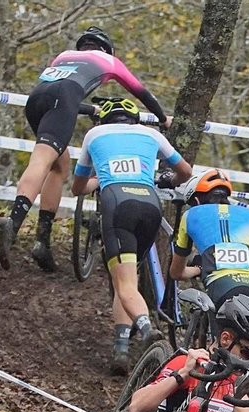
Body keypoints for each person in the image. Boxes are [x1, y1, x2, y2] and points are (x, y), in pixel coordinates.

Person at [0, 27, 170, 272]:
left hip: (36, 100)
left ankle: (42, 242)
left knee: (59, 164)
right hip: (62, 99)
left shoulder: (64, 56)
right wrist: (163, 118)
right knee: (42, 160)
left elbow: (61, 93)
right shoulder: (109, 61)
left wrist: (91, 110)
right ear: (107, 49)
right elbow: (141, 92)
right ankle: (13, 224)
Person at [71, 98, 193, 373]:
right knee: (128, 277)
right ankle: (121, 348)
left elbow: (78, 188)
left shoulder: (94, 134)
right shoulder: (151, 134)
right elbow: (185, 171)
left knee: (124, 283)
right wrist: (166, 181)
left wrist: (100, 179)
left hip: (118, 203)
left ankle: (147, 329)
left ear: (105, 118)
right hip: (150, 203)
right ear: (135, 118)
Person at [169, 170, 249, 310]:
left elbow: (177, 273)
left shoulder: (190, 215)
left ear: (196, 201)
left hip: (222, 287)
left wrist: (199, 269)